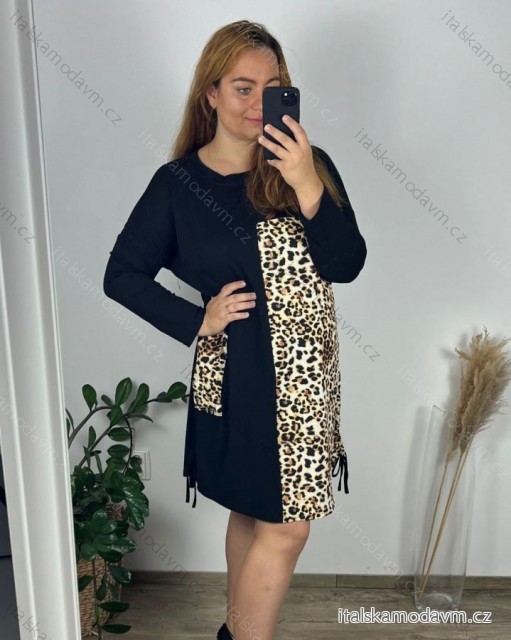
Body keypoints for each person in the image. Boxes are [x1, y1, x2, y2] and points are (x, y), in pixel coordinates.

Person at [103, 19, 367, 640]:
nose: (257, 103)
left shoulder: (307, 164)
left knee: (260, 515)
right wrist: (199, 319)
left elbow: (346, 264)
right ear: (211, 94)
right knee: (283, 524)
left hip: (307, 384)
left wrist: (307, 185)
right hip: (240, 378)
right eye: (243, 87)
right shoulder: (178, 186)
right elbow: (122, 274)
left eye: (272, 88)